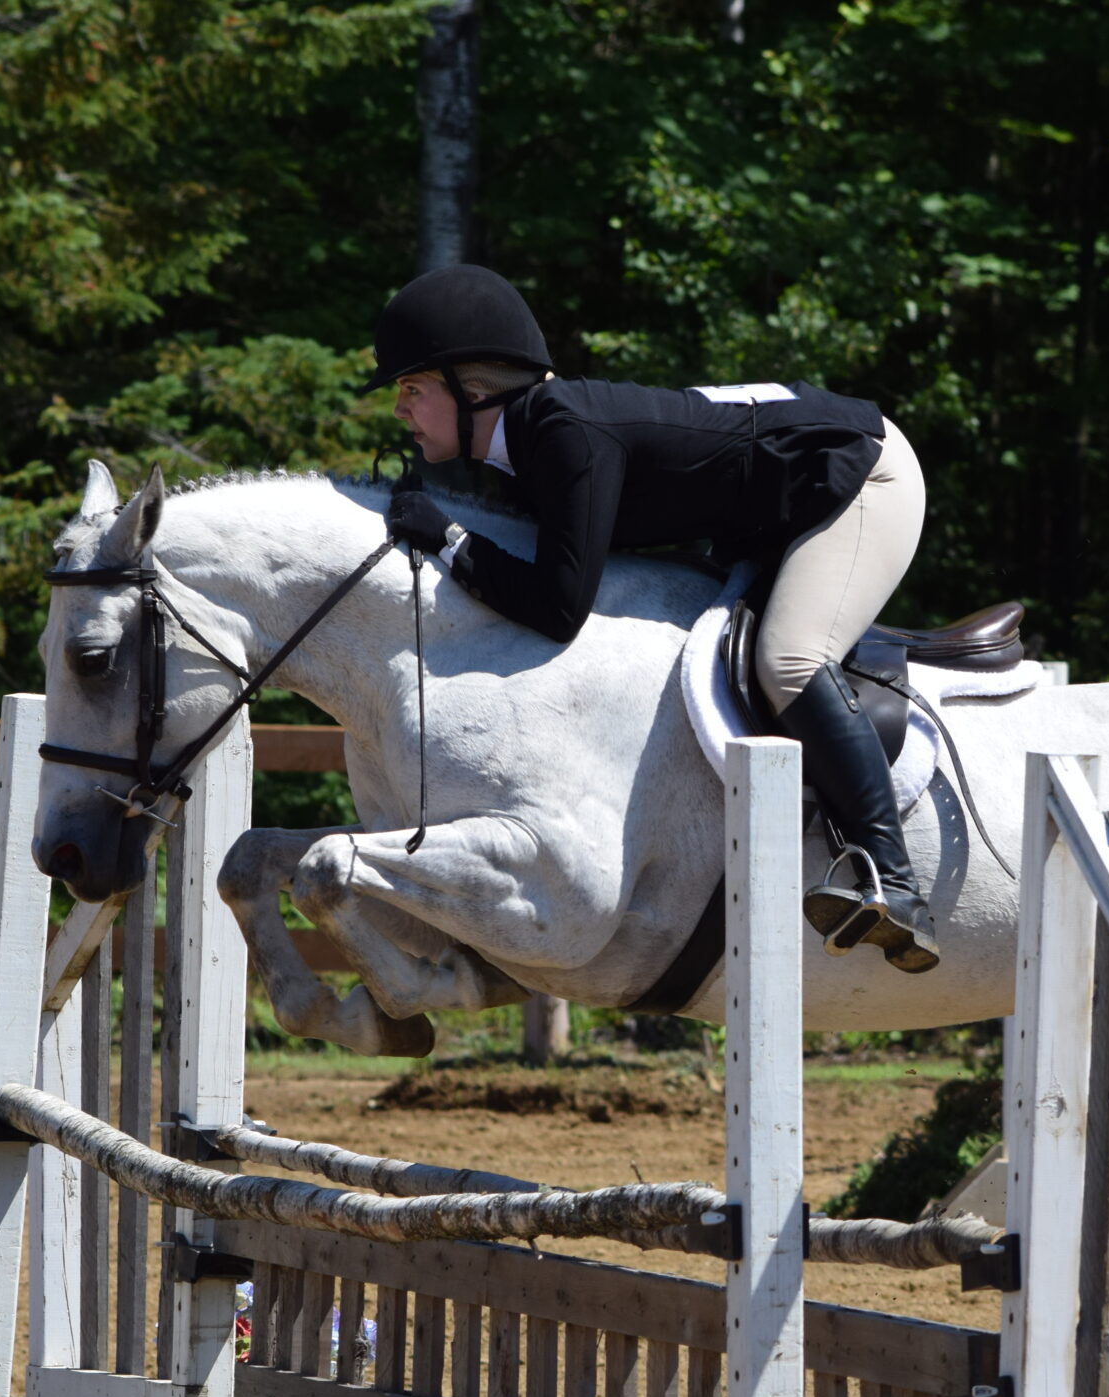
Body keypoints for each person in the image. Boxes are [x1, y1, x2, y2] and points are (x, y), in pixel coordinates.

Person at [369, 264, 936, 973]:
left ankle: (896, 882)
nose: (400, 410)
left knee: (787, 658)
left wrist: (447, 539)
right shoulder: (534, 438)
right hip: (781, 505)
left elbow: (557, 607)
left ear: (470, 389)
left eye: (412, 389)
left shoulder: (560, 431)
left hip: (860, 477)